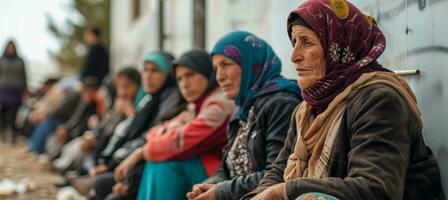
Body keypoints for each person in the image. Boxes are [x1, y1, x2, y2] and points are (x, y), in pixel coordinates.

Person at [244, 0, 445, 199]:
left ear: (338, 46)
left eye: (306, 42)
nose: (294, 56)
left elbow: (376, 189)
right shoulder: (306, 110)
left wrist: (285, 191)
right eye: (294, 42)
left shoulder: (379, 101)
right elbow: (278, 172)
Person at [187, 31, 302, 200]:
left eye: (226, 64)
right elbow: (226, 168)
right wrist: (210, 185)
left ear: (250, 63)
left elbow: (278, 174)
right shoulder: (242, 109)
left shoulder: (281, 104)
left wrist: (221, 191)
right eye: (216, 68)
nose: (219, 76)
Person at [91, 51, 186, 200]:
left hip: (148, 163)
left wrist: (115, 163)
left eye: (155, 71)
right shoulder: (149, 100)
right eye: (146, 70)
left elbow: (151, 135)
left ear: (169, 73)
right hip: (134, 160)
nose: (148, 76)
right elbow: (126, 132)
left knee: (104, 184)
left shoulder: (172, 98)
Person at [0, 40, 28, 143]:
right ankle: (2, 133)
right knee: (3, 113)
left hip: (16, 91)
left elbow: (24, 76)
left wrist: (25, 90)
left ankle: (13, 135)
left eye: (12, 47)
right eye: (9, 47)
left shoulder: (20, 61)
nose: (10, 49)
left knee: (14, 114)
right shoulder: (2, 60)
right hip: (3, 90)